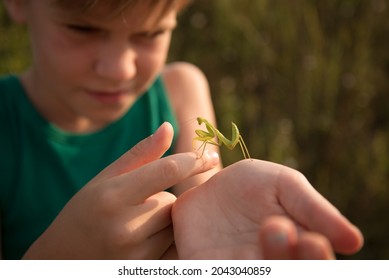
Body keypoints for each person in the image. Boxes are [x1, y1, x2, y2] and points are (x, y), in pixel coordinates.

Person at [0, 0, 363, 260]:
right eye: (83, 28)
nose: (119, 69)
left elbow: (207, 199)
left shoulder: (181, 90)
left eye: (151, 32)